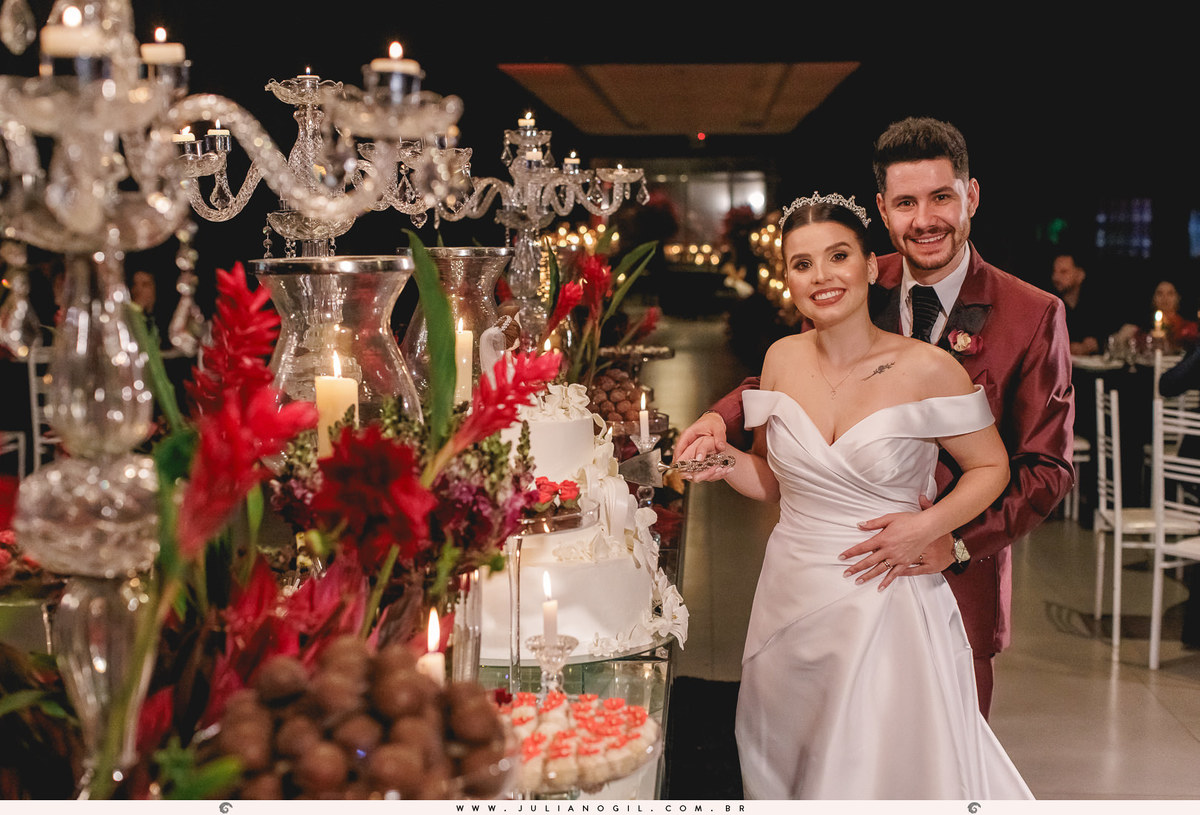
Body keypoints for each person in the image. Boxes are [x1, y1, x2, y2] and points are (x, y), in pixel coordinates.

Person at [678, 117, 1075, 719]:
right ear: (884, 211)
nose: (925, 220)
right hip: (822, 583)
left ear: (971, 196)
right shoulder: (848, 275)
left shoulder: (1031, 314)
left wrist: (951, 542)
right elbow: (798, 383)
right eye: (906, 203)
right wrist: (720, 418)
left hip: (957, 575)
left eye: (941, 198)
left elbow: (1046, 469)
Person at [684, 192, 1030, 799]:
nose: (822, 276)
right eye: (802, 263)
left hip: (884, 596)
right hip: (789, 595)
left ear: (871, 266)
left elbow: (992, 467)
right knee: (788, 760)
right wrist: (725, 460)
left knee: (867, 769)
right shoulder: (779, 358)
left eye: (838, 256)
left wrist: (928, 528)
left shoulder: (928, 368)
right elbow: (776, 482)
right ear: (787, 278)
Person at [1051, 251, 1109, 356]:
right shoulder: (1050, 305)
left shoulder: (1094, 304)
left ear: (1080, 275)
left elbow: (1106, 336)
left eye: (1063, 272)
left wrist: (1095, 344)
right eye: (1054, 272)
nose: (1055, 277)